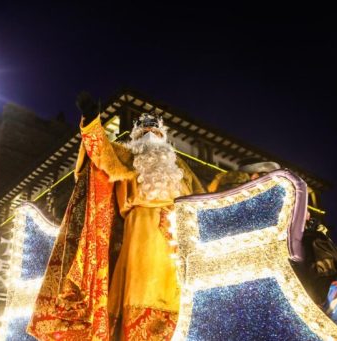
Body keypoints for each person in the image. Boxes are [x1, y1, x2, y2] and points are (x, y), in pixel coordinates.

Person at [27, 92, 205, 340]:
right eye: (143, 130)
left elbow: (204, 201)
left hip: (179, 240)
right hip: (138, 236)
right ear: (136, 136)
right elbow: (99, 154)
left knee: (181, 299)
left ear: (164, 136)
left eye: (154, 129)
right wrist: (91, 122)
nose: (150, 133)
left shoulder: (181, 167)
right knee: (140, 293)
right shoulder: (125, 156)